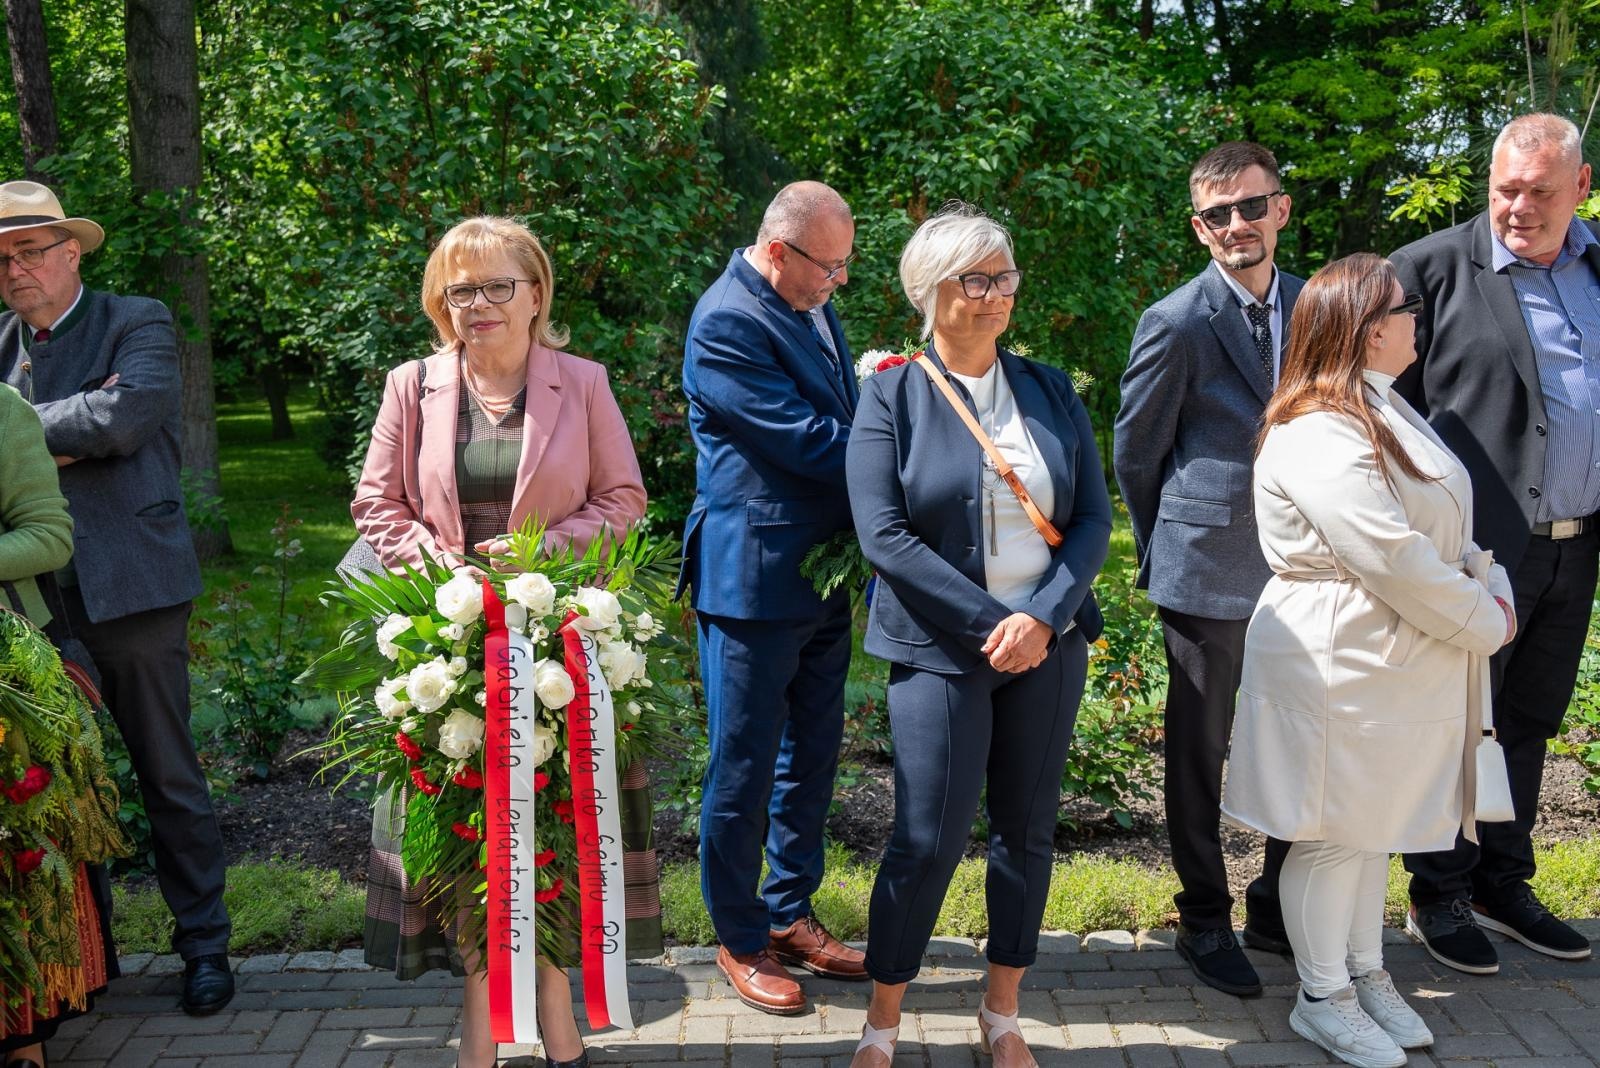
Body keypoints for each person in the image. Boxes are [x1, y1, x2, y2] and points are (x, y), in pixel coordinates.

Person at [351, 215, 653, 1068]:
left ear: (535, 295)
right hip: (444, 645)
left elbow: (623, 499)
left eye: (495, 287)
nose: (477, 304)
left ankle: (546, 1019)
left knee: (552, 835)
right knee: (465, 837)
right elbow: (377, 505)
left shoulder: (583, 383)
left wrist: (541, 555)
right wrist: (437, 565)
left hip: (556, 648)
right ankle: (503, 1028)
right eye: (459, 289)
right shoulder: (412, 384)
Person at [1224, 252, 1516, 1068]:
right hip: (1341, 650)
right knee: (1331, 833)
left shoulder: (1379, 406)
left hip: (1391, 647)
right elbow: (1386, 550)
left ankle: (1362, 970)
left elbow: (1434, 527)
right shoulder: (1319, 426)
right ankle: (1322, 997)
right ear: (1367, 326)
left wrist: (1486, 581)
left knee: (1370, 829)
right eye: (1405, 307)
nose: (1417, 319)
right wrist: (1481, 618)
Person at [844, 203, 1111, 1067]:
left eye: (1004, 278)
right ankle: (883, 1019)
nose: (996, 295)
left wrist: (1044, 617)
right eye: (976, 279)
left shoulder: (1049, 388)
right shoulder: (891, 394)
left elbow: (1097, 519)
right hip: (941, 653)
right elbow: (884, 536)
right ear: (931, 291)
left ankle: (1002, 1013)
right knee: (926, 837)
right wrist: (999, 624)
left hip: (1048, 647)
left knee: (1028, 833)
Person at [0, 181, 233, 1016]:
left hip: (133, 584)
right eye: (3, 258)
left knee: (166, 773)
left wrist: (19, 434)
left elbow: (125, 417)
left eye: (30, 250)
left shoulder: (136, 318)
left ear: (71, 252)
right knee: (53, 783)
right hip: (28, 605)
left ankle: (205, 947)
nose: (16, 269)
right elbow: (87, 421)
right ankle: (85, 964)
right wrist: (63, 435)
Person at [1389, 113, 1596, 974]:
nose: (1517, 206)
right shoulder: (1430, 270)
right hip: (1473, 553)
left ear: (1581, 187)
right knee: (1457, 724)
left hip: (1575, 544)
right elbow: (1377, 409)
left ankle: (1503, 883)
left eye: (1539, 192)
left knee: (1529, 722)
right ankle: (1439, 891)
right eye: (1504, 188)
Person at [1112, 142, 1303, 996]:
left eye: (1252, 207)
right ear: (1200, 228)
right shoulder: (1177, 320)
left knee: (1299, 743)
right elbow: (1135, 452)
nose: (1238, 226)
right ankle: (1203, 917)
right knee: (1201, 753)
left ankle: (1277, 904)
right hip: (1204, 571)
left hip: (1307, 571)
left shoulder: (1318, 308)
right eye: (1218, 215)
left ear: (1281, 210)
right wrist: (1170, 549)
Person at [680, 181, 867, 1015]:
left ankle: (791, 912)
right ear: (779, 250)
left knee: (813, 756)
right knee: (746, 764)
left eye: (845, 266)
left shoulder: (810, 296)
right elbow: (804, 440)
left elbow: (841, 406)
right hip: (752, 579)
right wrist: (907, 450)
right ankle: (740, 935)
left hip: (824, 573)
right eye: (828, 267)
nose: (838, 282)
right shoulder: (726, 320)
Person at [0, 379, 120, 1068]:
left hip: (8, 669)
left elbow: (49, 538)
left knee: (15, 864)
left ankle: (24, 1044)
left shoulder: (3, 411)